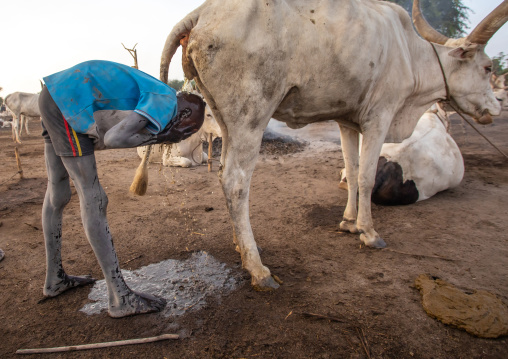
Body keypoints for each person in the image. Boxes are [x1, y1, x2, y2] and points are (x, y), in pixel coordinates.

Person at [38, 60, 205, 318]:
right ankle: (120, 297)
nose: (183, 136)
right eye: (188, 131)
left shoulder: (160, 93)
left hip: (56, 94)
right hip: (69, 102)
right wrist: (162, 136)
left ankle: (54, 279)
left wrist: (157, 135)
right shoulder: (167, 101)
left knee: (57, 193)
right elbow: (113, 138)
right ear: (185, 115)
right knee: (93, 197)